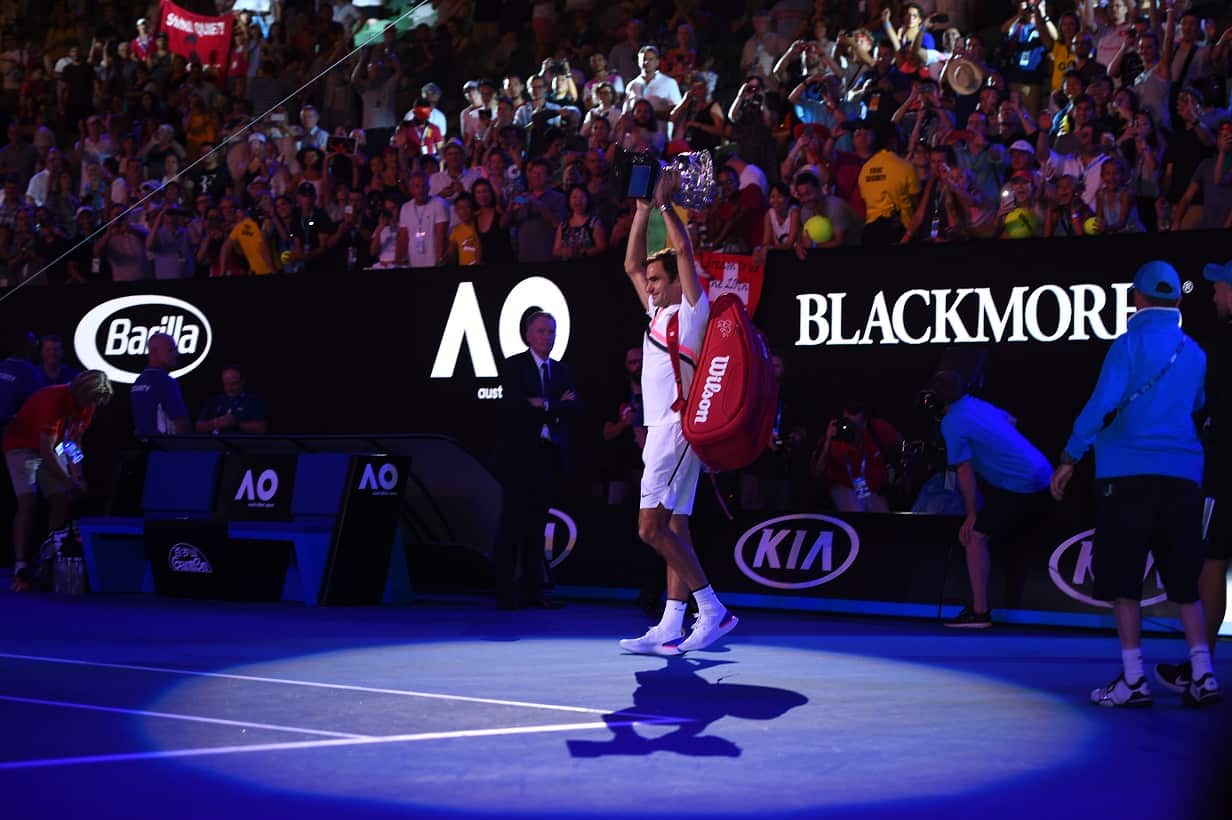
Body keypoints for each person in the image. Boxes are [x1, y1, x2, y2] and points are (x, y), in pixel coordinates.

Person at [1051, 261, 1220, 708]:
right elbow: (1197, 404)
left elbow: (1101, 405)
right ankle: (1203, 675)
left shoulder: (1127, 345)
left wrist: (1069, 457)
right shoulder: (1195, 352)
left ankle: (1133, 680)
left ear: (1136, 298)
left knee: (1124, 583)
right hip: (1182, 476)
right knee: (1185, 582)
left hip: (1126, 476)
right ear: (1177, 299)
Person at [620, 167, 737, 656]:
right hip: (663, 432)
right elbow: (630, 265)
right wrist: (641, 210)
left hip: (675, 431)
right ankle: (671, 624)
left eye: (656, 280)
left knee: (649, 528)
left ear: (674, 283)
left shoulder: (691, 314)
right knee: (674, 527)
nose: (648, 286)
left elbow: (684, 253)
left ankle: (712, 609)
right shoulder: (656, 313)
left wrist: (667, 206)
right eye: (649, 281)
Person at [1154, 259, 1232, 698]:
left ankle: (1201, 668)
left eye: (1220, 288)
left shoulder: (1218, 346)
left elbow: (1196, 402)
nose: (1215, 294)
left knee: (1211, 563)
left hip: (1224, 469)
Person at [924, 371, 1052, 628]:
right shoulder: (975, 404)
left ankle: (979, 612)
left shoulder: (951, 422)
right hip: (1043, 472)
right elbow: (1011, 421)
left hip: (1021, 481)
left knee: (974, 537)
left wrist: (971, 514)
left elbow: (964, 471)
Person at [492, 309, 580, 610]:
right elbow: (515, 407)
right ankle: (505, 593)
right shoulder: (514, 366)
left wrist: (542, 404)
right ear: (528, 335)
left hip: (547, 458)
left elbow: (575, 407)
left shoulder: (561, 370)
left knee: (536, 527)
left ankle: (533, 592)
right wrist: (554, 405)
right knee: (511, 525)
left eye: (551, 332)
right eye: (541, 331)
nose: (547, 337)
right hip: (518, 460)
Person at [3, 370, 113, 592]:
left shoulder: (88, 405)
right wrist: (69, 480)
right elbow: (46, 450)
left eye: (97, 401)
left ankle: (49, 559)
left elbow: (73, 444)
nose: (93, 405)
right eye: (92, 399)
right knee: (28, 501)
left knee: (61, 500)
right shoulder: (53, 400)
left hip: (51, 448)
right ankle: (21, 567)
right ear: (82, 392)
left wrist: (78, 476)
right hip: (22, 447)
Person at [131, 333, 190, 438]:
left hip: (144, 445)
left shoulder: (138, 381)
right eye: (171, 350)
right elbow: (180, 422)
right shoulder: (166, 382)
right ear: (154, 352)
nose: (176, 354)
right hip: (165, 445)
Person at [196, 367, 268, 435]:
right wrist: (215, 423)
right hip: (213, 442)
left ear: (242, 382)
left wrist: (236, 423)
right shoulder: (214, 401)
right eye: (226, 384)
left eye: (233, 384)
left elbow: (261, 428)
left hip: (241, 442)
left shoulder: (253, 401)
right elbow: (198, 427)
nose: (229, 388)